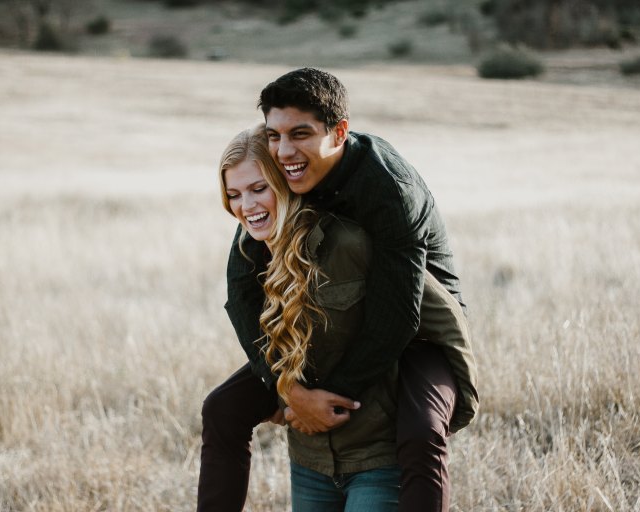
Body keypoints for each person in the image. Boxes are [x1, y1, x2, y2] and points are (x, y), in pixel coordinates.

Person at [198, 68, 479, 512]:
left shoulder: (387, 189)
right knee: (222, 409)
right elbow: (242, 296)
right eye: (274, 135)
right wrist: (287, 389)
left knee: (421, 431)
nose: (285, 150)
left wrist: (324, 397)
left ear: (339, 132)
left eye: (301, 134)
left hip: (421, 323)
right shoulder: (282, 181)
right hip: (336, 312)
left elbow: (397, 313)